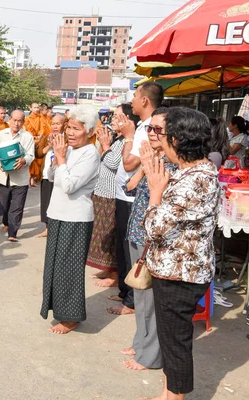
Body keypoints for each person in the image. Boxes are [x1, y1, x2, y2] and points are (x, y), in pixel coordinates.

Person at [143, 107, 220, 400]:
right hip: (174, 269)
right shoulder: (189, 172)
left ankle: (175, 397)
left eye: (162, 134)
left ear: (177, 140)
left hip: (181, 274)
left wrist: (154, 192)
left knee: (175, 342)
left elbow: (154, 227)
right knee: (170, 338)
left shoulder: (196, 179)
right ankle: (167, 393)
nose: (157, 139)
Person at [121, 108, 177, 372]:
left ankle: (150, 355)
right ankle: (141, 343)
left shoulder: (173, 164)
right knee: (140, 294)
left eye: (157, 130)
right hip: (137, 232)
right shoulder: (153, 158)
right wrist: (143, 168)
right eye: (150, 129)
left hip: (153, 238)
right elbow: (129, 187)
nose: (151, 134)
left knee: (151, 301)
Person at [40, 104, 100, 334]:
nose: (70, 133)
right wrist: (58, 158)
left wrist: (62, 158)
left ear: (90, 131)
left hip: (76, 218)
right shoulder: (71, 150)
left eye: (76, 129)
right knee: (55, 267)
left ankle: (71, 317)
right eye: (69, 128)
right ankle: (59, 310)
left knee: (70, 269)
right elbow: (51, 176)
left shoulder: (90, 154)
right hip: (58, 214)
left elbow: (69, 185)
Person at [112, 82, 164, 316]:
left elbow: (129, 163)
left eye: (134, 96)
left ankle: (131, 301)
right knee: (127, 250)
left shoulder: (147, 129)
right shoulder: (144, 126)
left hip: (140, 200)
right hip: (130, 192)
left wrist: (129, 137)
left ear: (144, 100)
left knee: (137, 256)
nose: (131, 100)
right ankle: (128, 294)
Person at [86, 105, 134, 288]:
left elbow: (114, 163)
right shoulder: (117, 138)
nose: (113, 120)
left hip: (112, 194)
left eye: (118, 117)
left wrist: (106, 145)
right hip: (102, 191)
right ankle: (107, 268)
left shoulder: (127, 141)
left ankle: (114, 275)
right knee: (101, 234)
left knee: (110, 234)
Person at [0, 110, 35, 242]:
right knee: (4, 205)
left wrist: (24, 160)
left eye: (20, 121)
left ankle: (13, 232)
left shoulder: (27, 136)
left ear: (23, 122)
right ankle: (6, 222)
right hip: (4, 176)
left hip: (20, 178)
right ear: (9, 120)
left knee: (17, 206)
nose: (16, 123)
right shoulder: (1, 134)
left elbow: (31, 155)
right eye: (14, 120)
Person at [34, 113, 66, 238]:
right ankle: (47, 228)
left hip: (60, 175)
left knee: (59, 203)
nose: (55, 126)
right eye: (53, 123)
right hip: (47, 175)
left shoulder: (67, 138)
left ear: (64, 124)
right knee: (46, 202)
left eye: (58, 123)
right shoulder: (47, 137)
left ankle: (59, 229)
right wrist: (49, 146)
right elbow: (38, 154)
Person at [25, 102, 45, 187]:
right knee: (31, 159)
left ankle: (33, 179)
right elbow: (26, 129)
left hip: (39, 140)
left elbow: (43, 128)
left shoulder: (41, 118)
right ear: (31, 108)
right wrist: (33, 138)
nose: (37, 109)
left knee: (37, 160)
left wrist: (40, 136)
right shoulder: (27, 119)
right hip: (31, 140)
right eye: (35, 107)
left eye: (38, 107)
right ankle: (29, 179)